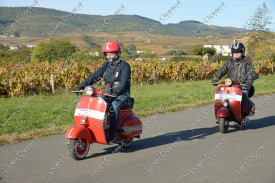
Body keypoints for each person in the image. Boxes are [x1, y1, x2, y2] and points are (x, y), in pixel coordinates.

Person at [75, 41, 131, 144]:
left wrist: (117, 91)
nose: (109, 56)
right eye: (107, 54)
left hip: (122, 94)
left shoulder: (125, 66)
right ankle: (96, 128)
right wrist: (82, 85)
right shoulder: (106, 65)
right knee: (93, 100)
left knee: (114, 105)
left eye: (111, 54)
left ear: (118, 53)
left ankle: (112, 134)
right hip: (108, 93)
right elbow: (95, 76)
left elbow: (124, 81)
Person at [211, 42, 259, 121]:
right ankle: (220, 112)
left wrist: (248, 84)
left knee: (243, 95)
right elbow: (222, 70)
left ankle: (242, 114)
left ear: (242, 52)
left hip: (243, 85)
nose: (236, 54)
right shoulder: (229, 61)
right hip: (230, 85)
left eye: (238, 52)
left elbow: (252, 73)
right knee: (220, 96)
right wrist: (215, 79)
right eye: (234, 52)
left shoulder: (247, 61)